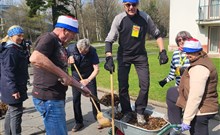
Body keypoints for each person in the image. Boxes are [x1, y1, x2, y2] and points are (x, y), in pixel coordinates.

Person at [104, 0, 168, 125]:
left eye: (134, 4)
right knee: (123, 86)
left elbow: (157, 34)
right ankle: (127, 111)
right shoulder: (119, 19)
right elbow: (109, 39)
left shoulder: (145, 17)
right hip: (124, 56)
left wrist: (163, 51)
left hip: (140, 56)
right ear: (124, 5)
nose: (131, 7)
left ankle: (140, 112)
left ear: (137, 4)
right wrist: (108, 58)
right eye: (128, 5)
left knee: (145, 85)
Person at [29, 15, 91, 135]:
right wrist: (63, 75)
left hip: (55, 97)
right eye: (72, 35)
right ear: (64, 30)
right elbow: (35, 58)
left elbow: (64, 73)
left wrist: (81, 87)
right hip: (48, 98)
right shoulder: (49, 38)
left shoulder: (59, 45)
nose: (72, 38)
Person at [166, 38, 218, 135]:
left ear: (198, 52)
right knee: (172, 92)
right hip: (196, 99)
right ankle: (176, 128)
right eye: (186, 52)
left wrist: (186, 120)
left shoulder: (200, 69)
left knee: (196, 127)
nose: (187, 55)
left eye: (191, 52)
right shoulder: (200, 58)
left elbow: (195, 97)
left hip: (203, 108)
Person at [67, 38, 101, 132]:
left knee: (93, 97)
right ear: (78, 48)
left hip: (89, 76)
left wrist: (88, 80)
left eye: (86, 52)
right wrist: (68, 59)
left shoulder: (92, 51)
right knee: (76, 99)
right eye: (82, 52)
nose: (84, 53)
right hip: (76, 77)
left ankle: (99, 118)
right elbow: (62, 60)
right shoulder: (70, 48)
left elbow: (96, 69)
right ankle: (79, 122)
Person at [0, 25, 28, 135]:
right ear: (11, 36)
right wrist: (14, 90)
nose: (21, 38)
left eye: (22, 35)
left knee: (11, 112)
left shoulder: (14, 47)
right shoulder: (11, 50)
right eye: (19, 35)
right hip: (13, 87)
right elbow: (8, 71)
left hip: (10, 86)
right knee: (16, 113)